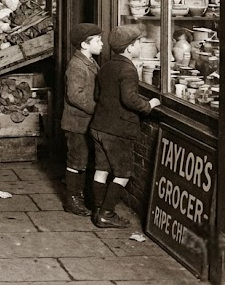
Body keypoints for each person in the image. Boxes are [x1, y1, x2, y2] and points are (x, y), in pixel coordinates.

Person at [89, 25, 160, 229]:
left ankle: (97, 209)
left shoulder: (106, 66)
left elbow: (97, 96)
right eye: (138, 43)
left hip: (99, 126)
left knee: (101, 170)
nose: (140, 45)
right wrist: (149, 105)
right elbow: (129, 100)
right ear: (129, 48)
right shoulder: (128, 69)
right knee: (123, 173)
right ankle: (106, 213)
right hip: (117, 131)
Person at [62, 23, 102, 217]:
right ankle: (72, 200)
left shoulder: (91, 61)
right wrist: (97, 109)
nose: (101, 43)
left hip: (84, 122)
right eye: (97, 40)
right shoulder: (77, 65)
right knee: (76, 161)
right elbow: (75, 95)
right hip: (76, 123)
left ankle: (80, 196)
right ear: (84, 45)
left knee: (83, 160)